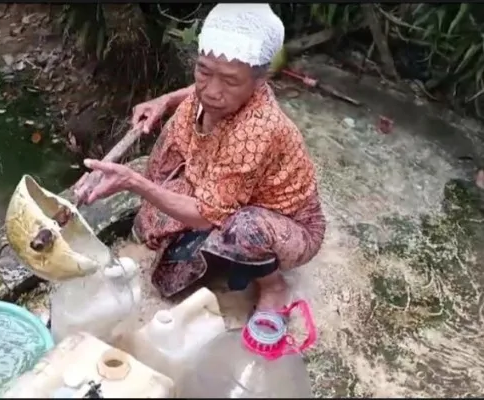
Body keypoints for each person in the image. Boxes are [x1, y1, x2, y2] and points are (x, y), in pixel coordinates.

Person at [73, 3, 326, 311]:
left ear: (260, 81)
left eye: (230, 81)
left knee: (243, 231)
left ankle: (273, 286)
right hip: (224, 190)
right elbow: (206, 85)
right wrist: (164, 100)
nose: (211, 91)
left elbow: (207, 214)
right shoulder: (217, 89)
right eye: (203, 70)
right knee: (149, 226)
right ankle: (211, 240)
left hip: (286, 223)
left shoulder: (258, 131)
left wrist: (133, 182)